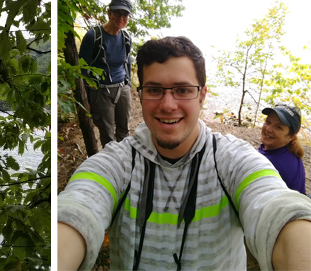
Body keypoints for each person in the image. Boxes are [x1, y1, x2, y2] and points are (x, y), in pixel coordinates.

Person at [58, 36, 311, 270]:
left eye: (182, 90)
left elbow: (276, 206)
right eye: (154, 90)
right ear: (141, 95)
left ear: (202, 95)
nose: (168, 105)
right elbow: (78, 208)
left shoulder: (230, 159)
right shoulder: (118, 163)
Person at [79, 0, 133, 147]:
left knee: (124, 130)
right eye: (117, 13)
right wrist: (86, 98)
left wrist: (128, 85)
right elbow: (82, 69)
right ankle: (111, 165)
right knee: (107, 134)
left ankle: (124, 161)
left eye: (125, 15)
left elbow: (127, 61)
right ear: (109, 13)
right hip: (101, 91)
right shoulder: (93, 37)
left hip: (122, 88)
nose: (121, 18)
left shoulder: (126, 37)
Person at [260, 103, 306, 194]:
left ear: (290, 137)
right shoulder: (289, 149)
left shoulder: (271, 164)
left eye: (278, 127)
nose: (268, 129)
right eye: (268, 122)